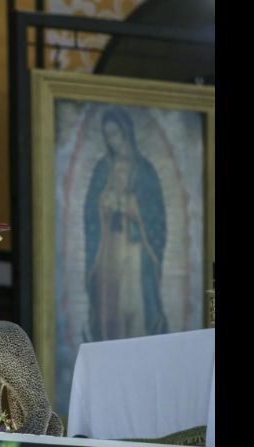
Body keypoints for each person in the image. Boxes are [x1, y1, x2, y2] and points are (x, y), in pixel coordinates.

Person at [84, 107, 168, 342]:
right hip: (108, 248)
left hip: (135, 249)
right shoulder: (103, 167)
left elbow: (157, 214)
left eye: (116, 134)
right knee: (110, 303)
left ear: (127, 133)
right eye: (107, 136)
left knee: (133, 303)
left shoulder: (145, 171)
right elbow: (90, 208)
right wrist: (102, 204)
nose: (113, 141)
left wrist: (135, 207)